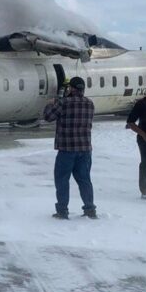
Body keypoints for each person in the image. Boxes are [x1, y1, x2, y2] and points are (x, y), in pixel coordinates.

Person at [43, 76, 97, 219]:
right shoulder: (90, 104)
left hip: (67, 149)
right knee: (85, 180)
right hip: (85, 149)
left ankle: (62, 210)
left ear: (71, 88)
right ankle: (90, 209)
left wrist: (50, 104)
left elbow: (48, 117)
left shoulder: (63, 103)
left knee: (62, 180)